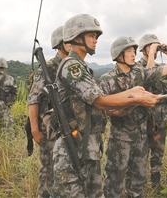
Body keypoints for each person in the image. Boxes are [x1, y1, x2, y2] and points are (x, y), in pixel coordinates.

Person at [51, 14, 160, 198]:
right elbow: (100, 101)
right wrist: (136, 99)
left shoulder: (82, 66)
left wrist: (133, 93)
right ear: (77, 38)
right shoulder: (72, 66)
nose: (95, 40)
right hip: (72, 148)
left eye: (96, 36)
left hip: (87, 145)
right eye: (91, 36)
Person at [100, 37, 167, 198]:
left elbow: (161, 71)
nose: (133, 54)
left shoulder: (139, 73)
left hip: (141, 136)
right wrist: (128, 106)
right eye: (129, 51)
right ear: (119, 55)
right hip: (121, 138)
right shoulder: (108, 79)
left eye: (134, 51)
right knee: (115, 178)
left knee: (138, 178)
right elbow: (106, 107)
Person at [27, 25, 71, 198]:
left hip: (70, 127)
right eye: (68, 40)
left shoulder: (73, 66)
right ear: (59, 43)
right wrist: (35, 130)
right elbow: (33, 99)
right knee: (48, 171)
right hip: (50, 129)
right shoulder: (49, 67)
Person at [136, 34, 167, 187]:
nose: (154, 48)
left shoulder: (158, 67)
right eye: (150, 46)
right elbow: (149, 76)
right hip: (145, 120)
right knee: (141, 154)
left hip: (161, 119)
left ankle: (156, 183)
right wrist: (152, 53)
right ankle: (138, 186)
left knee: (158, 153)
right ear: (142, 50)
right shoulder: (137, 67)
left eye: (156, 45)